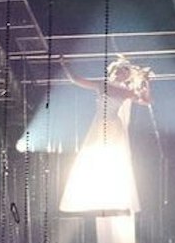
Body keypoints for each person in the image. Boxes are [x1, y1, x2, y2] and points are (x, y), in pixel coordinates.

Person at [59, 54, 153, 215]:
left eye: (123, 72)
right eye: (117, 71)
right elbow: (76, 80)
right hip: (99, 124)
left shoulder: (126, 91)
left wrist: (146, 83)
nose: (119, 73)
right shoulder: (101, 85)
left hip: (113, 126)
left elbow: (146, 101)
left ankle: (114, 195)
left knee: (113, 159)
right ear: (113, 72)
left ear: (127, 76)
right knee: (91, 158)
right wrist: (64, 65)